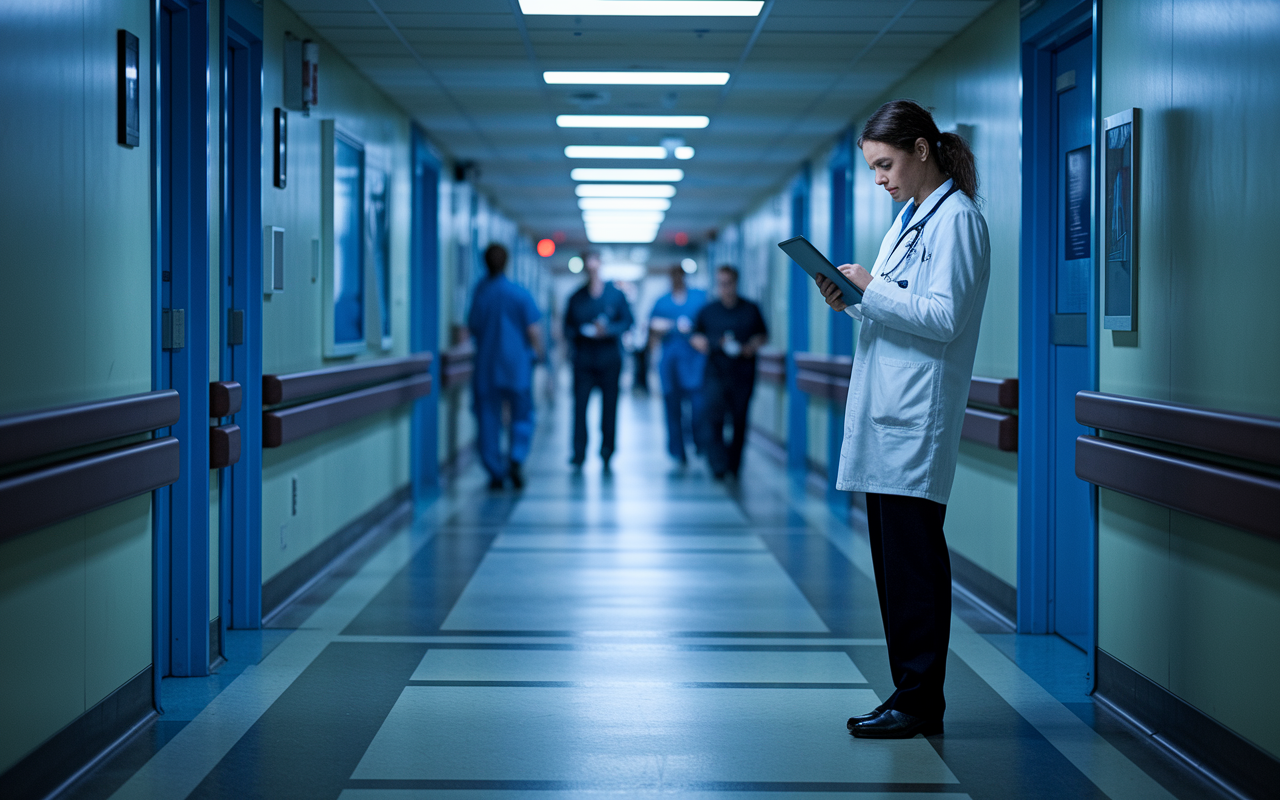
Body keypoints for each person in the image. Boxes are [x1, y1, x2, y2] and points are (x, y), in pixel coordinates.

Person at [815, 100, 990, 740]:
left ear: (922, 150)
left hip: (918, 420)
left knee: (914, 569)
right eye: (873, 168)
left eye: (886, 164)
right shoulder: (908, 222)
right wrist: (853, 301)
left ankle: (921, 700)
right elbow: (897, 312)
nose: (881, 179)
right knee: (893, 569)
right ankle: (908, 692)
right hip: (889, 414)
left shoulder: (958, 222)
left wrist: (874, 290)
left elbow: (944, 317)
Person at [468, 243, 543, 490]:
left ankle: (495, 471)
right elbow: (533, 330)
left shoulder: (481, 294)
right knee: (522, 415)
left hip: (487, 369)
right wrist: (540, 356)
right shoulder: (519, 293)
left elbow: (473, 328)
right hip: (517, 368)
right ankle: (516, 458)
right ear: (507, 262)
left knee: (488, 419)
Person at [691, 265, 767, 480]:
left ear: (735, 282)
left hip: (742, 373)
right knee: (714, 418)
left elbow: (762, 335)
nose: (725, 287)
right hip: (716, 373)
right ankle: (718, 464)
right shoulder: (708, 311)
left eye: (729, 283)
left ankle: (734, 465)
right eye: (721, 283)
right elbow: (695, 337)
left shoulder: (750, 309)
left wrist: (749, 347)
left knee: (739, 420)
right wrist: (711, 343)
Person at [563, 252, 634, 472]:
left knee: (609, 408)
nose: (592, 269)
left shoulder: (616, 295)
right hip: (584, 360)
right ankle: (579, 452)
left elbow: (628, 321)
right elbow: (568, 327)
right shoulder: (576, 297)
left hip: (609, 360)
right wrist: (580, 334)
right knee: (580, 408)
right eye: (588, 266)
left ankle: (607, 450)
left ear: (600, 265)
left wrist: (609, 330)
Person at [650, 266, 709, 465]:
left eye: (679, 275)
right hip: (670, 362)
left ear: (685, 276)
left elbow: (708, 325)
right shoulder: (662, 302)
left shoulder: (699, 298)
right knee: (672, 406)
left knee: (699, 406)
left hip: (695, 360)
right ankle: (678, 450)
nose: (676, 278)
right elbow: (652, 329)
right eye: (673, 275)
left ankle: (699, 442)